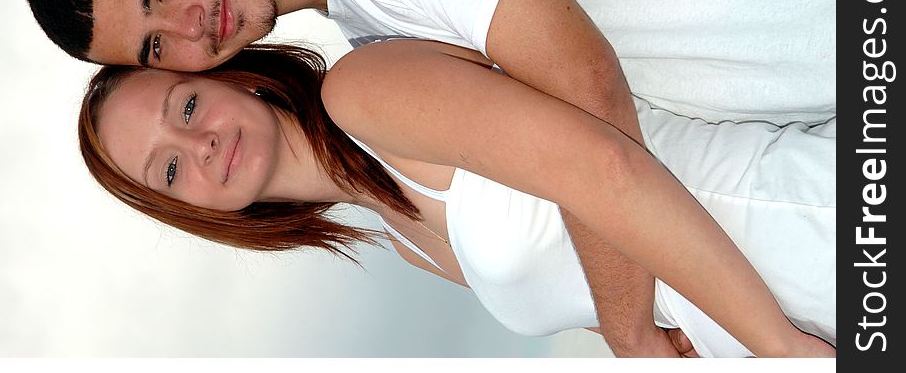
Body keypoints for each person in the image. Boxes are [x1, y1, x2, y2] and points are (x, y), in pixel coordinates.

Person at [25, 0, 835, 355]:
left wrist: (642, 338)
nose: (189, 26)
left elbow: (591, 106)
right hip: (812, 140)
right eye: (157, 47)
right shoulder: (374, 23)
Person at [79, 41, 835, 357]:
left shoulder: (363, 93)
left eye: (184, 109)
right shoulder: (402, 239)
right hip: (764, 318)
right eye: (168, 172)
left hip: (791, 223)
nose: (200, 146)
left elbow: (604, 167)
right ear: (195, 213)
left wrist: (775, 347)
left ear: (233, 76)